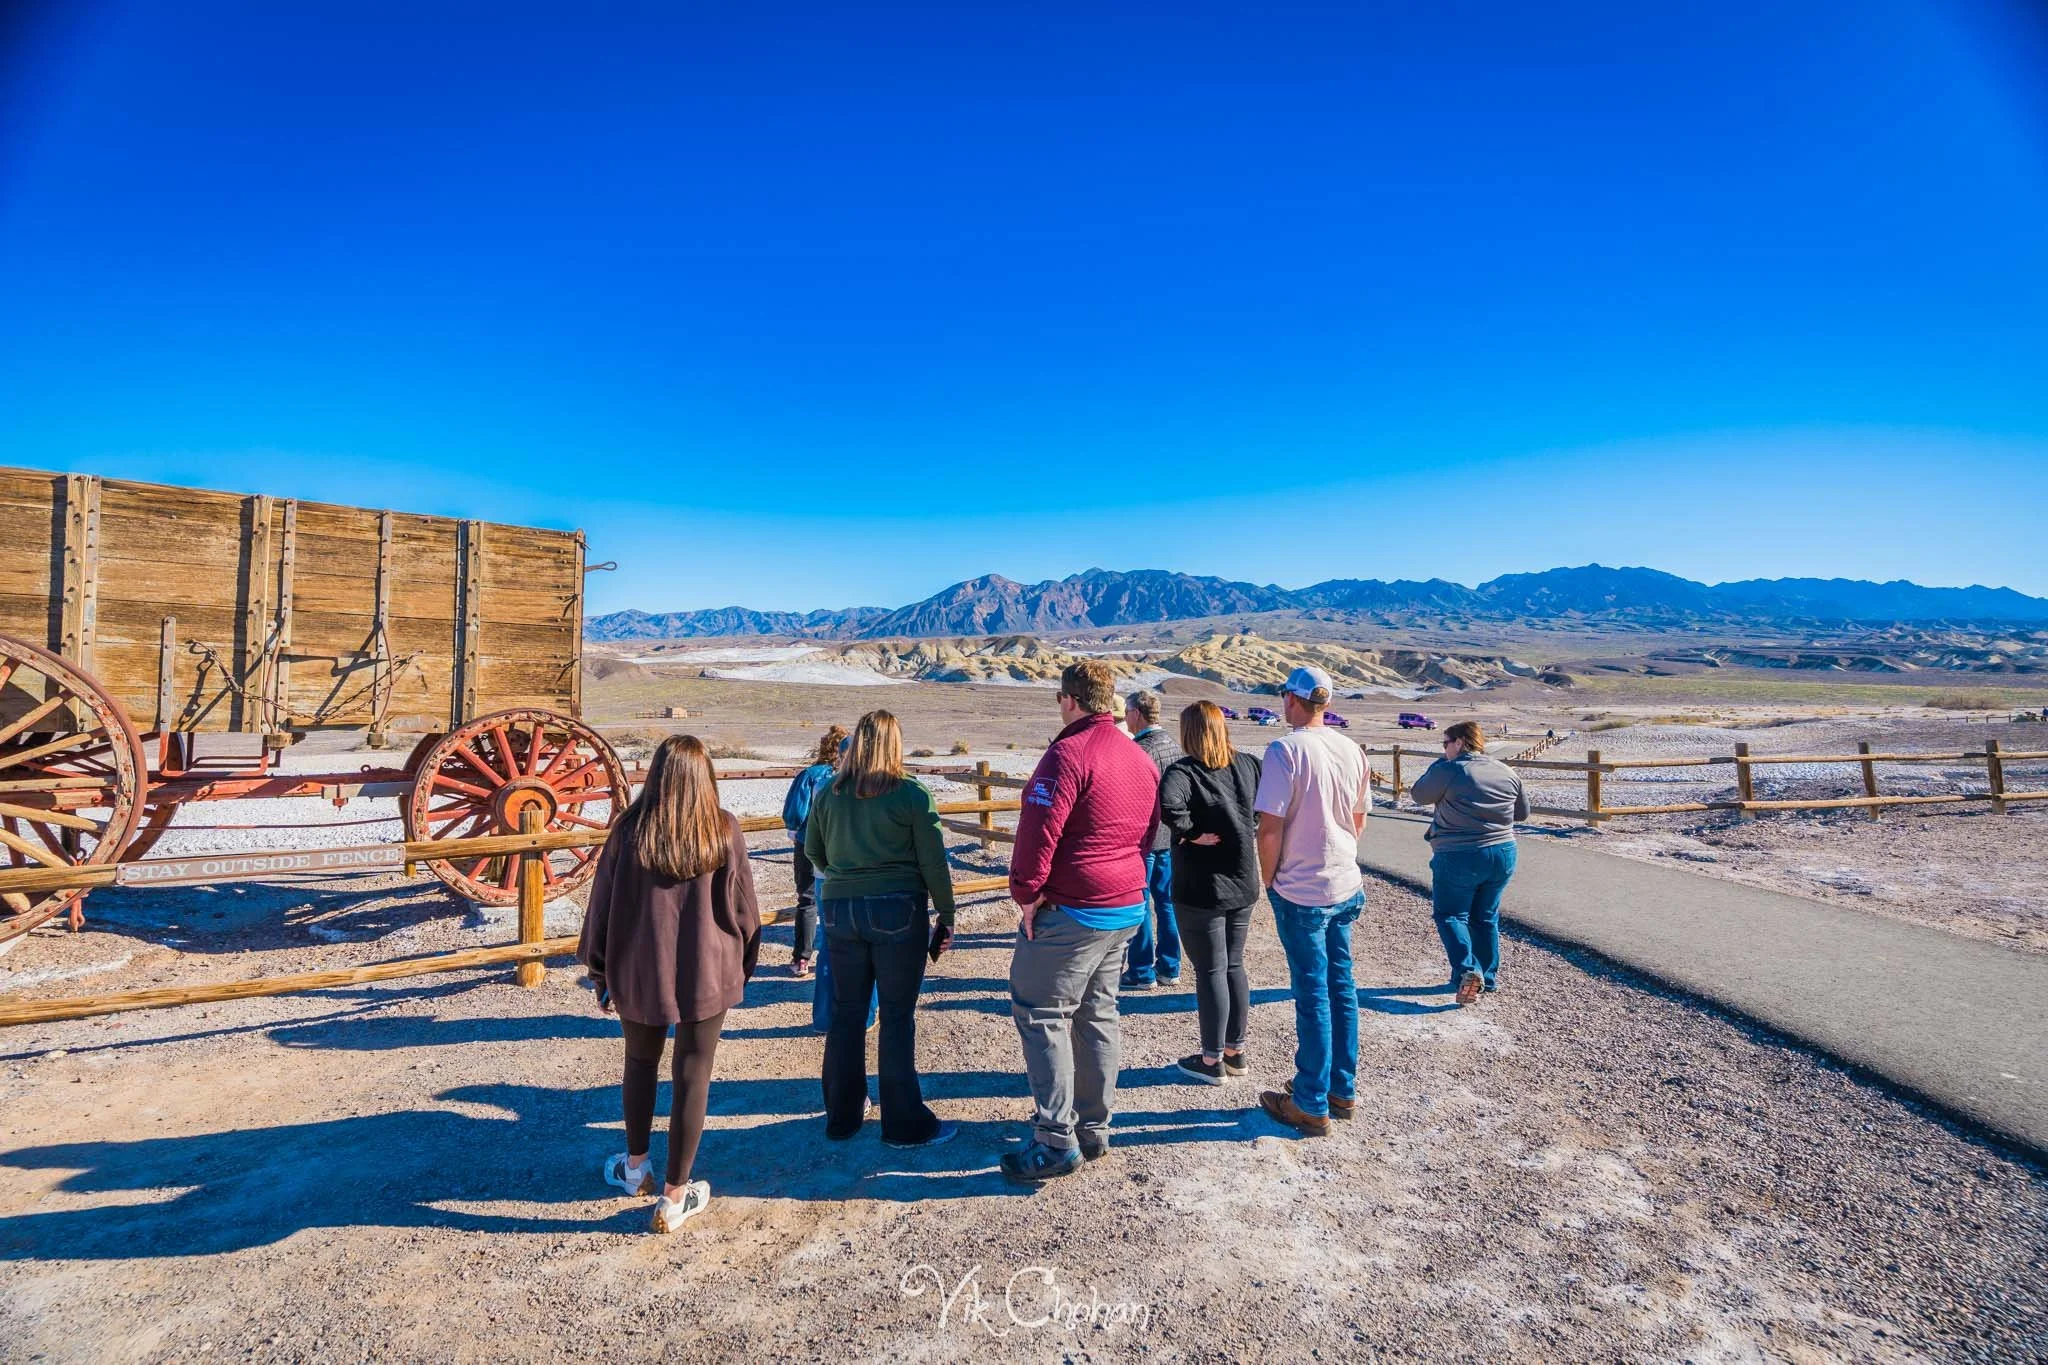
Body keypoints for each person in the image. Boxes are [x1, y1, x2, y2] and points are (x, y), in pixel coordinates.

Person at [579, 734, 761, 1233]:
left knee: (640, 1063)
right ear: (706, 779)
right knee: (693, 1074)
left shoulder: (630, 830)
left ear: (657, 775)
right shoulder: (723, 831)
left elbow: (601, 908)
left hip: (640, 970)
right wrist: (742, 964)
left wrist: (599, 969)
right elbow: (745, 909)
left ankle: (636, 1167)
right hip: (709, 970)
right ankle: (676, 1196)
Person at [1002, 660, 1162, 1181]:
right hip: (1124, 901)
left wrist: (1027, 894)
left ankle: (1054, 1140)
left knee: (1042, 1012)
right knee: (1097, 1013)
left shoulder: (1066, 754)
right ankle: (1093, 1129)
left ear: (1069, 700)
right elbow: (1148, 831)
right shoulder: (1137, 758)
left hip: (1074, 907)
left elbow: (1037, 833)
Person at [805, 709, 958, 1148]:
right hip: (897, 910)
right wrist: (946, 914)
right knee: (895, 1016)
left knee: (847, 1012)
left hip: (839, 910)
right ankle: (903, 1123)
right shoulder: (910, 794)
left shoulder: (830, 794)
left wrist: (845, 876)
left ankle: (842, 1115)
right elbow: (932, 861)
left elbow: (813, 850)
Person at [1253, 666, 1370, 1138]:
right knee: (1341, 986)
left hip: (1302, 889)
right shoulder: (1351, 748)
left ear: (1292, 700)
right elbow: (1359, 821)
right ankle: (1341, 1088)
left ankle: (1310, 1101)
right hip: (1344, 883)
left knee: (1312, 994)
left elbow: (1269, 828)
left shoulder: (1285, 750)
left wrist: (1269, 881)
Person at [1157, 700, 1262, 1084]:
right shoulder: (1248, 764)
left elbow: (1167, 804)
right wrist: (1248, 824)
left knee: (1210, 970)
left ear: (1190, 732)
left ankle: (1211, 1058)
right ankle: (1236, 1051)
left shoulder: (1184, 771)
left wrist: (1189, 833)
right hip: (1243, 880)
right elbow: (1265, 804)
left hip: (1201, 887)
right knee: (1234, 965)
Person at [1409, 719, 1528, 1006]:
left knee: (1451, 915)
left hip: (1459, 853)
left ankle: (1467, 971)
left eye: (1445, 743)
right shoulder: (1506, 771)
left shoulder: (1450, 769)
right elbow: (1521, 814)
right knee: (1485, 916)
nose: (1444, 749)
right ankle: (1488, 976)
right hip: (1503, 851)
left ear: (1459, 742)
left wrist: (1439, 765)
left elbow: (1418, 795)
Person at [1120, 689, 1183, 992]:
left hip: (1145, 840)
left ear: (1136, 713)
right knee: (1167, 903)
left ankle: (1142, 970)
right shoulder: (1174, 746)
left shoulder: (1138, 751)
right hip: (1170, 838)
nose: (1124, 718)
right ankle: (1170, 967)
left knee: (1141, 904)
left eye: (1127, 712)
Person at [781, 725, 848, 978]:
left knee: (807, 899)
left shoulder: (810, 775)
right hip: (840, 845)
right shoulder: (849, 777)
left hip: (809, 842)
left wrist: (794, 829)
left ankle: (802, 958)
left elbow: (795, 812)